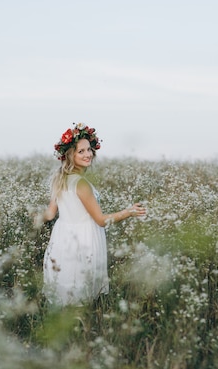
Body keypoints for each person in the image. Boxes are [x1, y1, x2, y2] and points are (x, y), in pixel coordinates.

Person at [38, 122, 146, 306]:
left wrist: (33, 216)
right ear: (70, 155)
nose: (88, 154)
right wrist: (128, 212)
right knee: (81, 288)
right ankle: (81, 329)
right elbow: (101, 221)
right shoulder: (81, 183)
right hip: (83, 239)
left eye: (89, 149)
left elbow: (49, 215)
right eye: (81, 151)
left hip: (62, 238)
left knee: (65, 284)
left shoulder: (60, 179)